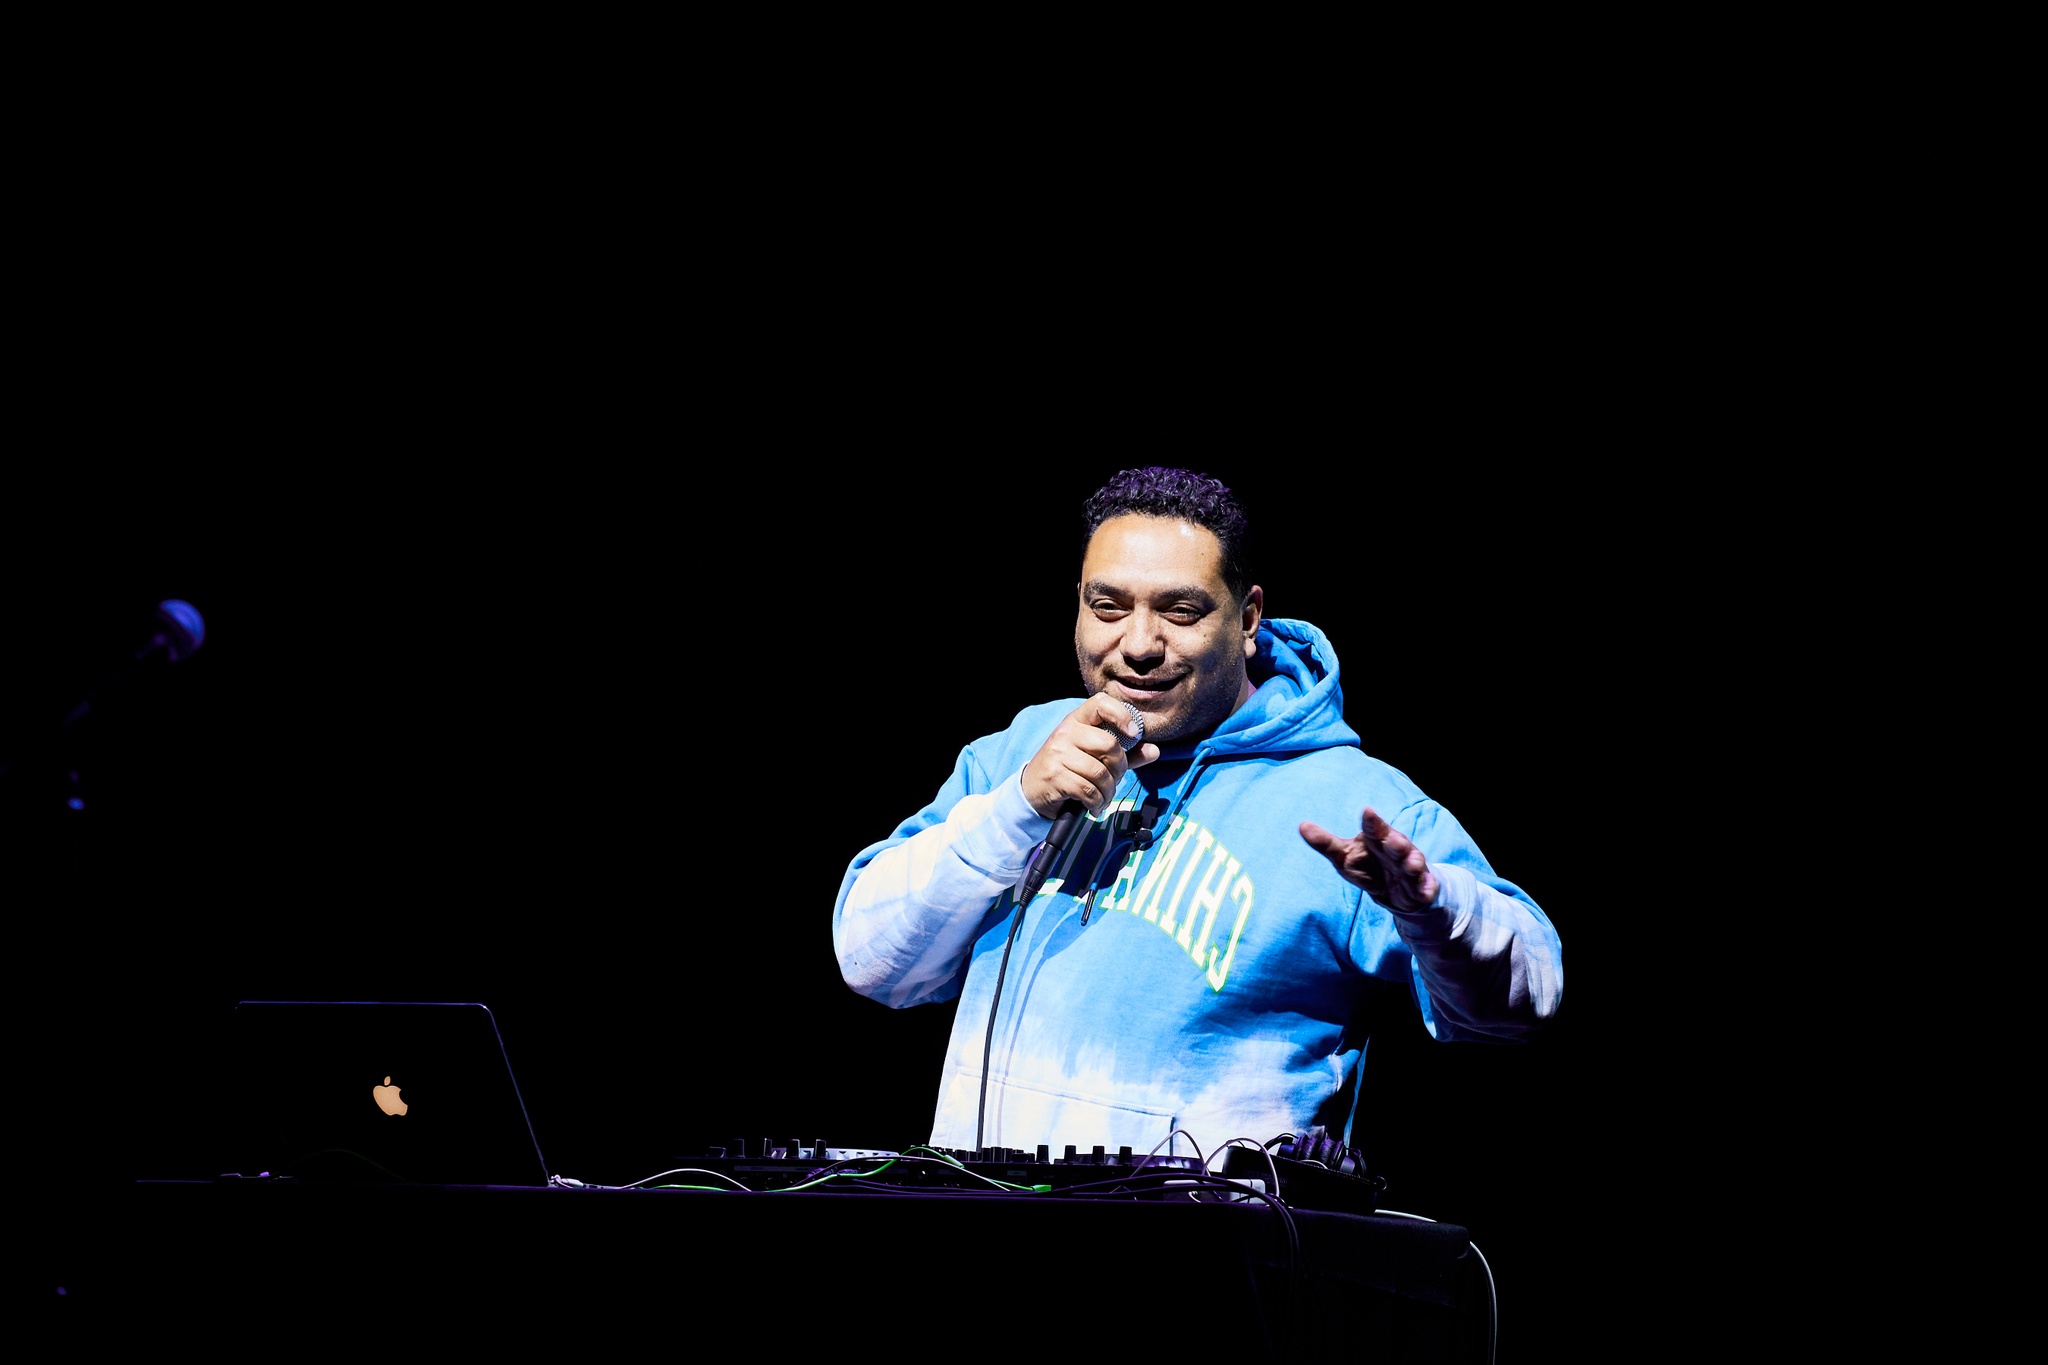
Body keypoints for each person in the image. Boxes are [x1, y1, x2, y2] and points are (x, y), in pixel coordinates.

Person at [832, 466, 1562, 1162]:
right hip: (982, 1231)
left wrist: (1437, 914)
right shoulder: (1024, 752)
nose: (1139, 644)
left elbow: (1523, 1001)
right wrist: (1017, 807)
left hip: (1202, 1269)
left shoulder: (1354, 802)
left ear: (1247, 618)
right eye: (1107, 606)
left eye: (1179, 611)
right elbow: (871, 961)